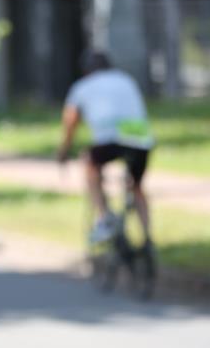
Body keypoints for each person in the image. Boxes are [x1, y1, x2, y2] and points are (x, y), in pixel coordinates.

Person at [57, 50, 155, 245]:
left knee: (90, 164)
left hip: (110, 139)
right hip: (141, 138)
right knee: (136, 186)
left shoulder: (82, 86)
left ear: (86, 71)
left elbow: (70, 121)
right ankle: (147, 237)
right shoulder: (126, 80)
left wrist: (64, 150)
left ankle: (104, 217)